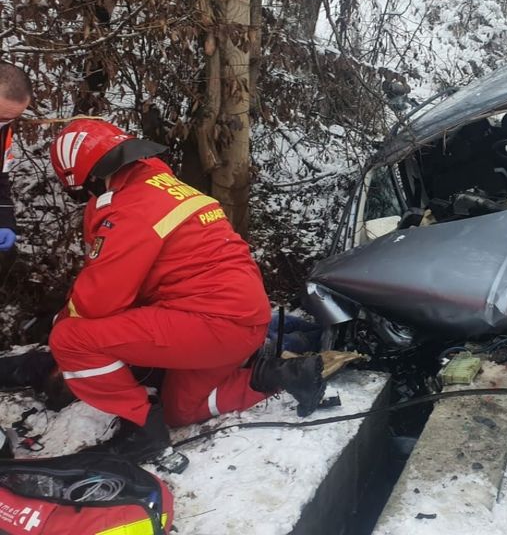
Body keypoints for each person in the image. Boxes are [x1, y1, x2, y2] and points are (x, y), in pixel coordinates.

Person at [47, 118, 326, 462]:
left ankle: (142, 428)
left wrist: (63, 325)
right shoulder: (161, 185)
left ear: (89, 177)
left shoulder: (131, 209)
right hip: (241, 321)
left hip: (209, 325)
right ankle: (276, 374)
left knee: (69, 338)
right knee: (182, 409)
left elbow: (99, 301)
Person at [0, 62, 31, 253]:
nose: (2, 124)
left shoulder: (3, 133)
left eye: (9, 119)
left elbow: (0, 179)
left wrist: (4, 220)